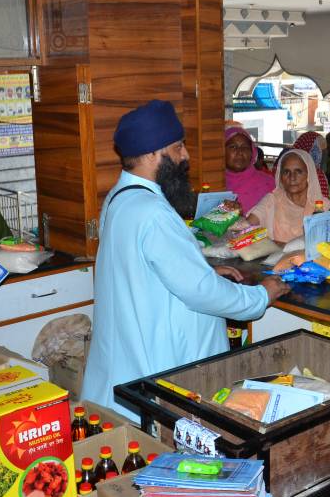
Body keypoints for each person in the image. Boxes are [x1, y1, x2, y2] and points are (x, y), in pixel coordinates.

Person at [82, 100, 289, 416]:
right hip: (156, 365)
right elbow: (201, 292)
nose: (186, 156)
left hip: (127, 359)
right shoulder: (152, 212)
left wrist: (200, 264)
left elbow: (149, 265)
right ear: (153, 153)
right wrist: (261, 295)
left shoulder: (119, 198)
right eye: (178, 148)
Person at [246, 149, 330, 245]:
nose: (292, 177)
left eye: (298, 171)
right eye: (286, 172)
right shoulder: (272, 200)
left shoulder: (324, 206)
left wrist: (279, 245)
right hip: (275, 259)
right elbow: (246, 227)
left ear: (309, 175)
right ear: (280, 176)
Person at [223, 125, 275, 212]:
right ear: (222, 151)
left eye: (245, 147)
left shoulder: (269, 183)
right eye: (233, 147)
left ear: (252, 153)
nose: (240, 152)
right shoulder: (214, 185)